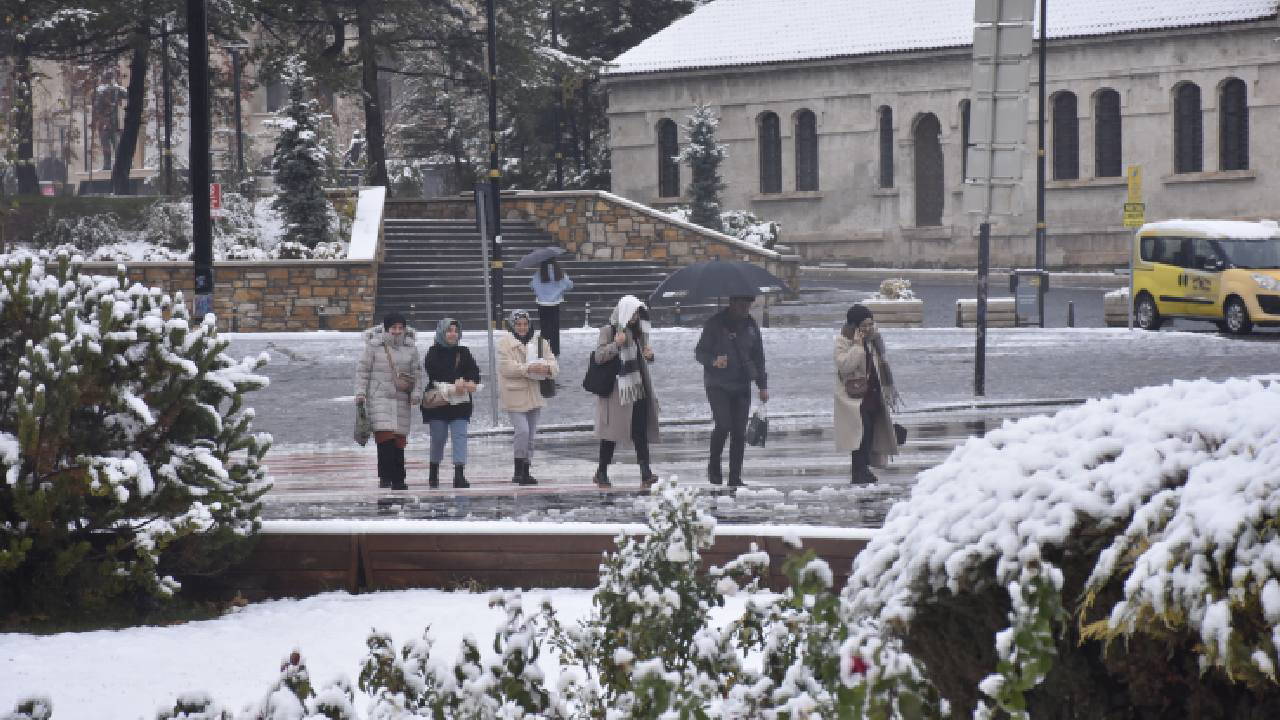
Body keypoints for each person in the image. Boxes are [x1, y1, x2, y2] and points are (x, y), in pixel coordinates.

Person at [695, 295, 768, 487]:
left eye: (748, 304)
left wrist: (762, 386)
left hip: (742, 384)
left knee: (739, 432)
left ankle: (735, 477)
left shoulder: (751, 326)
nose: (745, 308)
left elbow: (759, 357)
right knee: (723, 425)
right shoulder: (714, 324)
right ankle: (714, 466)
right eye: (742, 304)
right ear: (732, 303)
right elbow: (700, 352)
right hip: (717, 384)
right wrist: (713, 361)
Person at [591, 295, 661, 488]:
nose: (635, 316)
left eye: (638, 313)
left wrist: (650, 356)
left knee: (640, 432)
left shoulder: (639, 333)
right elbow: (599, 356)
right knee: (611, 434)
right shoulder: (609, 330)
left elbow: (641, 358)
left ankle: (645, 471)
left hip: (637, 388)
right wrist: (616, 344)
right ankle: (601, 471)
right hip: (616, 391)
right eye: (632, 312)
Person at [354, 312, 422, 490]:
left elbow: (417, 374)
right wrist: (360, 393)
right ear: (386, 328)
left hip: (401, 398)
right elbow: (363, 371)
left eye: (400, 328)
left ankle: (399, 479)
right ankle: (385, 477)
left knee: (399, 442)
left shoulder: (411, 348)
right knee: (385, 439)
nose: (397, 331)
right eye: (393, 327)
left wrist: (416, 393)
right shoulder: (374, 346)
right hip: (379, 397)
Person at [835, 304, 901, 484]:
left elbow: (881, 361)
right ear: (854, 325)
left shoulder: (873, 339)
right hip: (854, 396)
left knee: (870, 433)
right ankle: (858, 471)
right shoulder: (843, 341)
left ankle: (865, 468)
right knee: (859, 435)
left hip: (872, 392)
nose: (868, 328)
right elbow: (845, 365)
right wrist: (857, 347)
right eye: (863, 325)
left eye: (870, 324)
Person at [496, 309, 559, 485]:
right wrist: (528, 368)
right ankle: (518, 468)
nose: (522, 328)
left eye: (525, 324)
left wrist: (547, 369)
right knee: (522, 431)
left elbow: (553, 363)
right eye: (518, 324)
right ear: (512, 326)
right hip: (514, 394)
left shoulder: (540, 342)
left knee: (531, 435)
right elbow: (506, 368)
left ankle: (525, 469)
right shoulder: (504, 344)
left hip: (534, 393)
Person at [421, 317, 480, 489]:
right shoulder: (433, 351)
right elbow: (435, 372)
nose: (453, 334)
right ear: (442, 332)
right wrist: (457, 382)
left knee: (460, 436)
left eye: (455, 330)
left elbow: (474, 372)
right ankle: (434, 472)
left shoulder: (464, 352)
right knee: (438, 438)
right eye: (449, 330)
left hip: (460, 403)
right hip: (439, 403)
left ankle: (459, 474)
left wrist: (470, 382)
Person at [530, 258, 573, 357]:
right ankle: (554, 351)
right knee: (554, 328)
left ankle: (541, 351)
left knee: (544, 328)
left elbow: (532, 286)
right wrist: (559, 291)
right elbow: (569, 285)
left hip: (542, 304)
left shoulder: (539, 273)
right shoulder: (559, 272)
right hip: (555, 303)